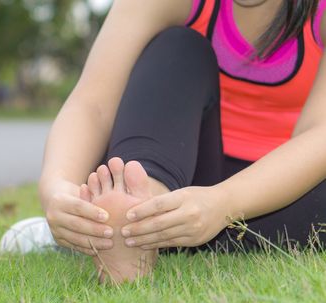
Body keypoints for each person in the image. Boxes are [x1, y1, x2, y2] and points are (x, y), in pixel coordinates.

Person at [36, 0, 326, 284]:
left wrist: (224, 203)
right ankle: (140, 213)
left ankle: (148, 230)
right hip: (180, 175)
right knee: (178, 48)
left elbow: (318, 135)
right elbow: (93, 103)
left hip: (282, 189)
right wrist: (57, 188)